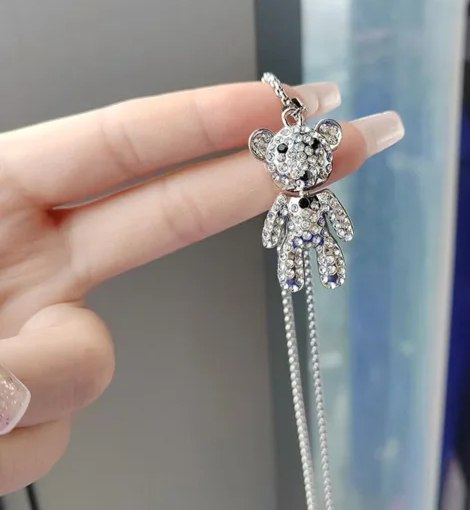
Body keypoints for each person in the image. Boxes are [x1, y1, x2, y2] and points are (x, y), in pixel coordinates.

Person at [0, 79, 403, 494]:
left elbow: (335, 219)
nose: (299, 163)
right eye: (285, 153)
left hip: (313, 226)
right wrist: (280, 231)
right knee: (292, 266)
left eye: (311, 150)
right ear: (266, 150)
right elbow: (275, 228)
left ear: (326, 140)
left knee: (326, 258)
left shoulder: (307, 190)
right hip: (295, 233)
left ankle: (328, 269)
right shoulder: (282, 194)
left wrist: (338, 228)